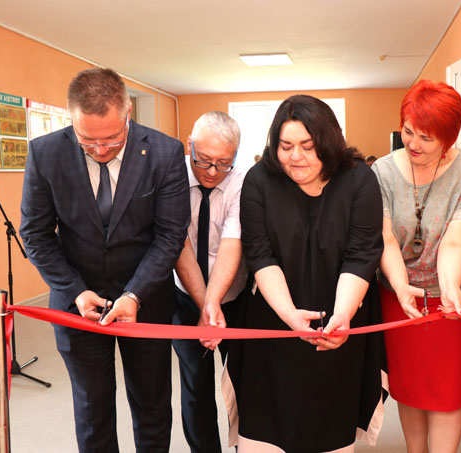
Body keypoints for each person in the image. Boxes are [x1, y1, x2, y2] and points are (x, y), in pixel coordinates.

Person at [19, 68, 189, 453]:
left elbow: (170, 236)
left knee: (152, 405)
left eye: (111, 139)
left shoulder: (164, 153)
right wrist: (75, 291)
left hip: (147, 301)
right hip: (77, 303)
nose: (99, 149)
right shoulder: (46, 154)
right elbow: (36, 235)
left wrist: (134, 294)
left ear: (128, 112)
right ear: (71, 119)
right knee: (92, 411)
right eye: (87, 140)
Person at [224, 94, 386, 452]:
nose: (295, 156)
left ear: (328, 143)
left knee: (328, 429)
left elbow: (361, 255)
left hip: (338, 322)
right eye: (285, 146)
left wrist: (342, 316)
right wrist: (288, 315)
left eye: (308, 147)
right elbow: (260, 255)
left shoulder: (359, 180)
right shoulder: (259, 181)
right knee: (266, 429)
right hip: (272, 321)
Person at [371, 79, 461, 452]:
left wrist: (449, 288)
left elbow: (456, 240)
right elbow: (386, 238)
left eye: (426, 138)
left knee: (448, 392)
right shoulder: (383, 172)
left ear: (449, 139)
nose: (413, 144)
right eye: (408, 132)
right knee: (409, 387)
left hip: (453, 297)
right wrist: (400, 284)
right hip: (398, 294)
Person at [172, 111, 247, 453]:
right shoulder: (171, 177)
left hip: (236, 297)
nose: (213, 172)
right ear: (189, 146)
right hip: (184, 296)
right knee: (195, 386)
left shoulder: (243, 182)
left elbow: (232, 242)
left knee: (243, 384)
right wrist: (205, 307)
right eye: (203, 160)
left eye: (223, 163)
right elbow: (178, 243)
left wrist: (214, 304)